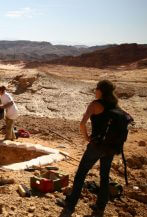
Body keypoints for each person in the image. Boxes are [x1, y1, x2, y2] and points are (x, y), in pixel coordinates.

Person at [57, 80, 120, 216]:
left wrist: (87, 138)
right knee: (104, 177)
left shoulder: (95, 104)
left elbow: (82, 124)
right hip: (110, 147)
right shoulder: (114, 105)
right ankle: (100, 208)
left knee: (81, 174)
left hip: (96, 146)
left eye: (96, 89)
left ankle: (70, 206)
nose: (95, 91)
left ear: (101, 91)